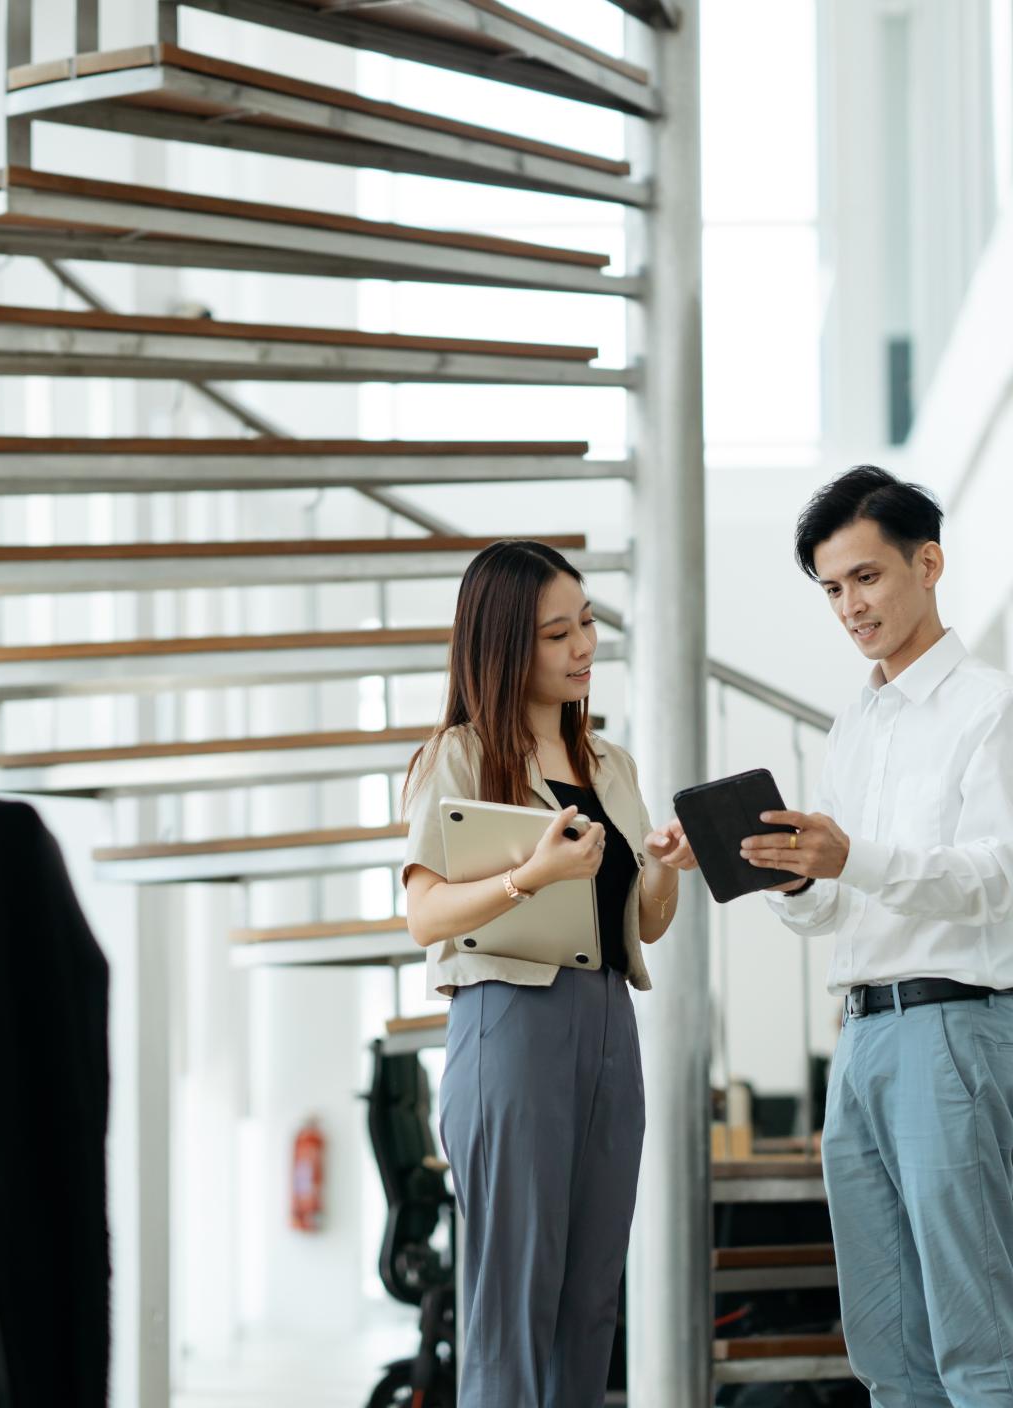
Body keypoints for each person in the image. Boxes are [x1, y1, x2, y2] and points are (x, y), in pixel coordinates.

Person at [658, 465, 1013, 1404]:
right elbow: (837, 908)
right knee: (884, 1346)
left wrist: (854, 856)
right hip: (859, 1038)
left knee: (978, 1341)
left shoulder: (993, 708)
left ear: (928, 563)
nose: (850, 606)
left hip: (955, 1029)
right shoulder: (855, 723)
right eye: (831, 589)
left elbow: (999, 881)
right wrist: (784, 871)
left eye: (866, 578)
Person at [401, 539, 685, 1408]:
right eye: (555, 633)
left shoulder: (614, 766)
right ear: (503, 647)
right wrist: (531, 875)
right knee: (511, 1304)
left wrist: (668, 863)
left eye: (588, 622)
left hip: (608, 1027)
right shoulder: (457, 756)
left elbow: (645, 923)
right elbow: (424, 916)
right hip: (509, 1026)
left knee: (591, 1304)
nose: (583, 647)